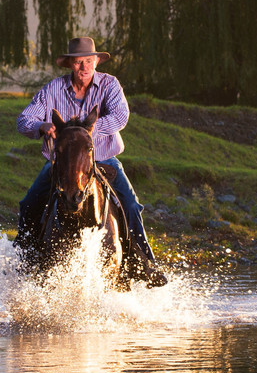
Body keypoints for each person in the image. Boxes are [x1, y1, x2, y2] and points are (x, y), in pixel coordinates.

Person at [15, 37, 168, 287]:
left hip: (103, 157)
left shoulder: (110, 84)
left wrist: (84, 134)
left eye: (88, 61)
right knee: (29, 203)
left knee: (130, 204)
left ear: (96, 61)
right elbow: (23, 120)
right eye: (78, 62)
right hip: (62, 163)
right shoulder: (52, 89)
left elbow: (120, 116)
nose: (84, 67)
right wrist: (41, 126)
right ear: (70, 65)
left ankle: (143, 263)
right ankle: (25, 258)